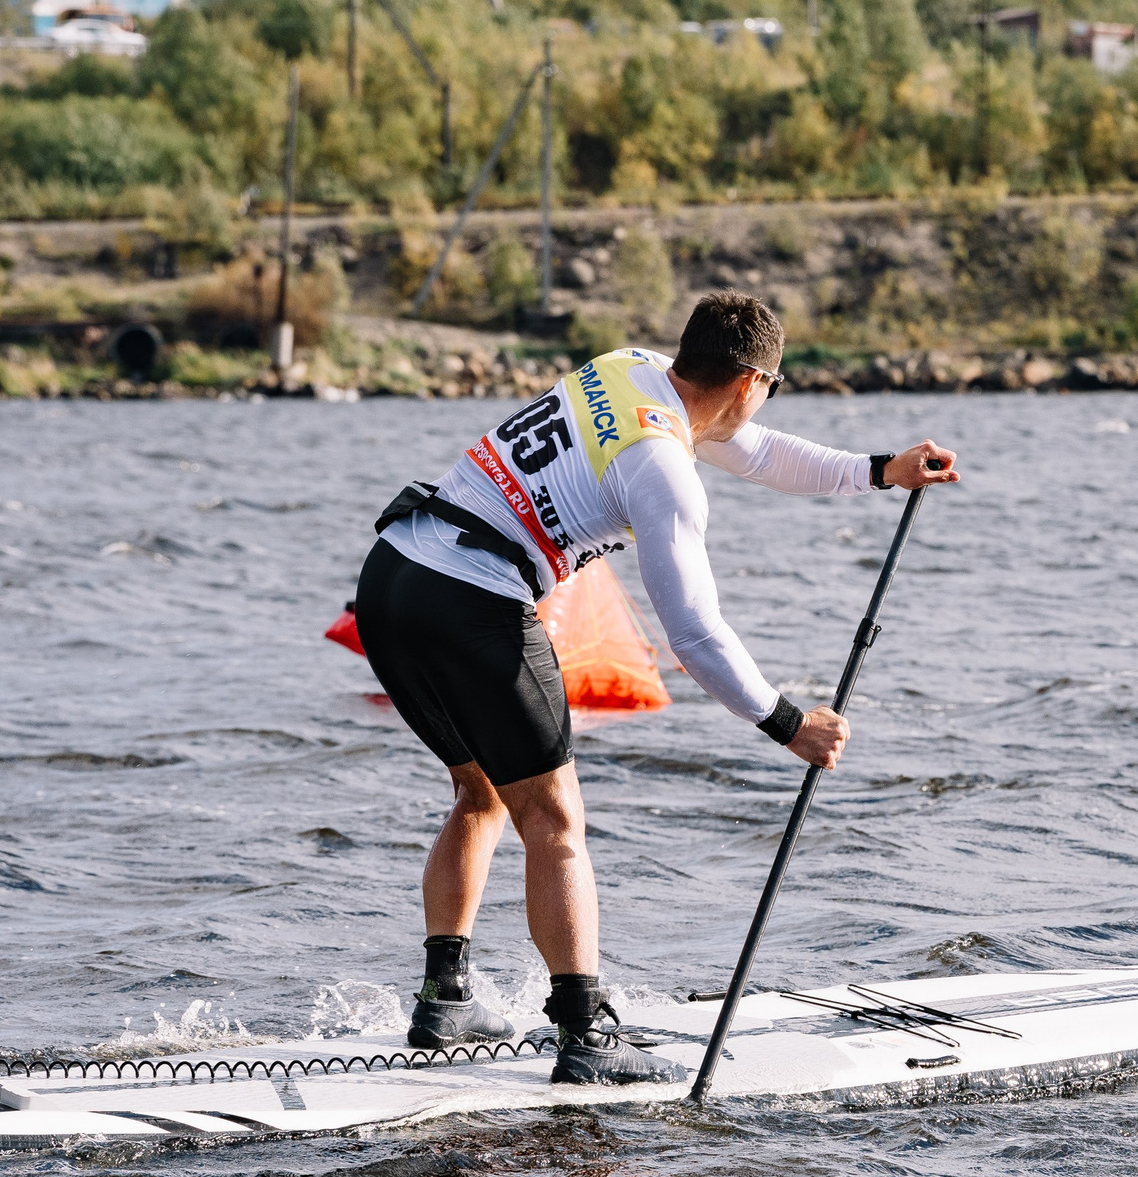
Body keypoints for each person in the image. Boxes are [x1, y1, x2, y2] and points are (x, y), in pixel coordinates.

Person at [354, 292, 960, 1085]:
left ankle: (446, 997)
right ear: (750, 381)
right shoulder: (663, 471)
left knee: (482, 792)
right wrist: (787, 722)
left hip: (393, 576)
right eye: (771, 388)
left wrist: (879, 471)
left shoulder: (630, 368)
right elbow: (696, 635)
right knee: (556, 818)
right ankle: (585, 1034)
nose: (764, 404)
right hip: (472, 601)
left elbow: (758, 451)